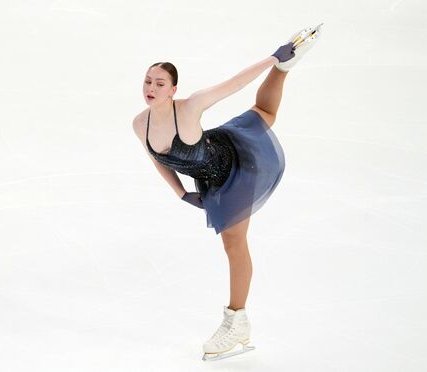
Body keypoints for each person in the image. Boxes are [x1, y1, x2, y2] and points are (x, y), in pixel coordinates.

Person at [132, 24, 322, 361]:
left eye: (159, 83)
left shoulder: (189, 108)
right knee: (263, 113)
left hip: (233, 167)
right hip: (208, 177)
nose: (151, 88)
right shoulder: (139, 123)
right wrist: (180, 193)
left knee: (234, 243)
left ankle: (237, 319)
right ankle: (285, 70)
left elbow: (234, 84)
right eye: (148, 81)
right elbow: (157, 159)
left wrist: (272, 58)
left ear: (173, 89)